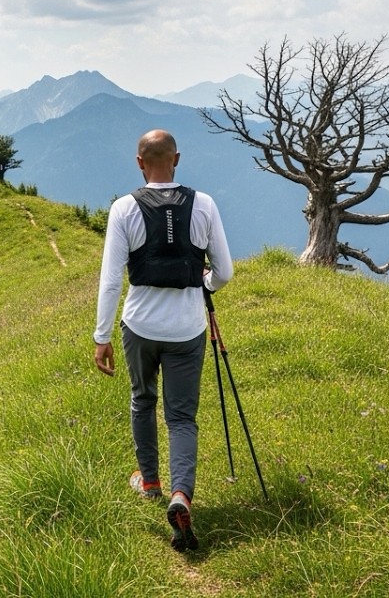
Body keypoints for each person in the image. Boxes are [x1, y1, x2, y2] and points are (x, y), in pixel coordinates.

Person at [92, 128, 233, 552]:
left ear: (139, 163)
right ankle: (181, 494)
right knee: (182, 417)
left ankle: (150, 482)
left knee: (142, 400)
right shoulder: (204, 204)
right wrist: (202, 281)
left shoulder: (123, 209)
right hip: (188, 329)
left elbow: (111, 279)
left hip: (139, 327)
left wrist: (102, 336)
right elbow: (224, 272)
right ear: (177, 159)